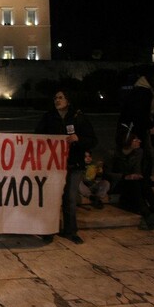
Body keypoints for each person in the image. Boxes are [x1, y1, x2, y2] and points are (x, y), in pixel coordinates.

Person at [35, 89, 98, 244]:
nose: (57, 100)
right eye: (55, 97)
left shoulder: (79, 117)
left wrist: (79, 139)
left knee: (70, 198)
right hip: (53, 166)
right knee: (52, 198)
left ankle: (70, 231)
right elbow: (36, 136)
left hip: (73, 164)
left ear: (68, 100)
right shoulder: (49, 117)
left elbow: (92, 140)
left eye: (61, 97)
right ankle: (49, 229)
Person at [118, 62, 154, 187]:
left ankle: (146, 179)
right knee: (141, 155)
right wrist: (150, 125)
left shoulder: (153, 91)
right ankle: (142, 181)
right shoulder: (143, 91)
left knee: (146, 155)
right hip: (136, 129)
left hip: (142, 128)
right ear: (153, 78)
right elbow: (140, 111)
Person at [111, 130, 154, 230]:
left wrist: (136, 175)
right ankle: (149, 212)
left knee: (141, 182)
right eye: (136, 140)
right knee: (134, 183)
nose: (139, 141)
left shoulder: (139, 152)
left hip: (133, 182)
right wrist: (125, 176)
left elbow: (137, 170)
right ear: (128, 142)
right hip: (119, 182)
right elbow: (107, 173)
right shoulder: (113, 153)